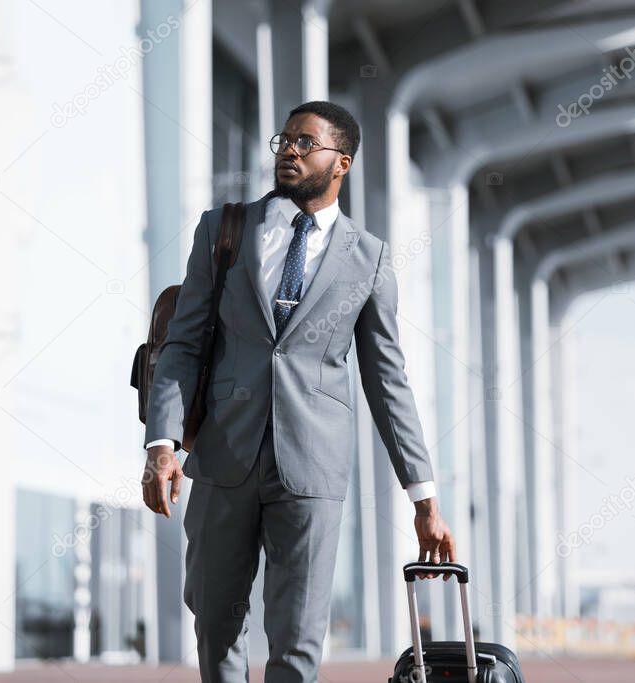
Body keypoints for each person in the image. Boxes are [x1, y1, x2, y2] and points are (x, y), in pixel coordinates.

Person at [140, 100, 456, 682]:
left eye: (306, 142)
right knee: (216, 626)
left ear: (343, 162)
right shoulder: (224, 230)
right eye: (284, 140)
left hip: (313, 468)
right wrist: (162, 444)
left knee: (297, 641)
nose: (289, 150)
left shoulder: (370, 257)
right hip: (221, 454)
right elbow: (182, 346)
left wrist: (424, 496)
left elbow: (387, 379)